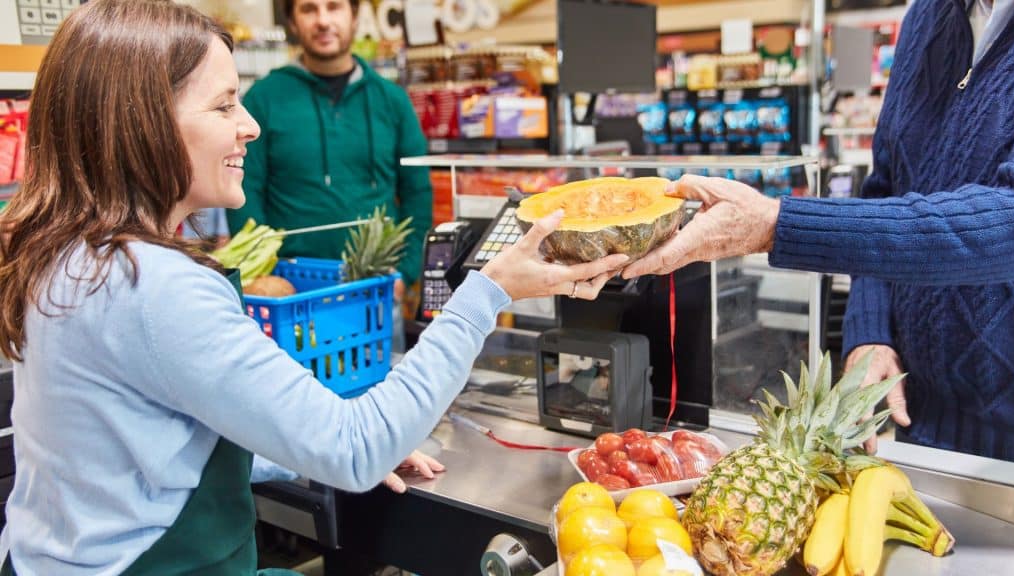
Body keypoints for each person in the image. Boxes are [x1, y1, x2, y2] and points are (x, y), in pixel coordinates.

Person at [0, 2, 628, 574]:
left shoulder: (67, 254)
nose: (248, 125)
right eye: (222, 106)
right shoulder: (156, 288)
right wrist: (486, 292)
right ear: (142, 124)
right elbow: (355, 447)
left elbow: (146, 447)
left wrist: (292, 448)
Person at [624, 1, 1014, 463]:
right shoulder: (927, 17)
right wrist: (870, 330)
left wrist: (777, 225)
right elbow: (886, 189)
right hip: (920, 424)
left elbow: (1011, 222)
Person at [226, 0, 433, 328]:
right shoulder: (263, 99)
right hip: (290, 298)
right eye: (309, 9)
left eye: (333, 6)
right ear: (292, 22)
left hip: (375, 292)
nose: (323, 20)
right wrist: (260, 272)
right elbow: (243, 192)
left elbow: (418, 193)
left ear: (354, 16)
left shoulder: (392, 100)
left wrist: (405, 272)